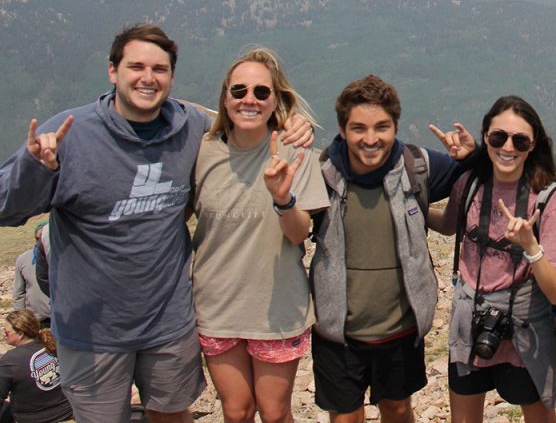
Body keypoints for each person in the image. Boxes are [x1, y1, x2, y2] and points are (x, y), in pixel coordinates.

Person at [0, 24, 312, 423]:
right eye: (136, 67)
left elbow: (242, 118)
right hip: (92, 332)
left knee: (172, 416)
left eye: (160, 69)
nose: (148, 78)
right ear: (113, 71)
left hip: (169, 323)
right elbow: (8, 210)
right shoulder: (70, 133)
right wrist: (35, 168)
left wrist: (289, 120)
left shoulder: (189, 127)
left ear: (171, 77)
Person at [309, 74, 477, 423]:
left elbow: (476, 178)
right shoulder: (322, 176)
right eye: (359, 128)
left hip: (400, 327)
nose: (371, 139)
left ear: (395, 126)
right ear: (342, 129)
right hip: (338, 330)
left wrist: (470, 159)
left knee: (399, 409)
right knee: (345, 417)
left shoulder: (417, 166)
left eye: (381, 127)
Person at [190, 48, 330, 423]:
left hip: (276, 306)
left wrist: (283, 199)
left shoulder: (296, 151)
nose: (248, 99)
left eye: (261, 92)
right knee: (236, 412)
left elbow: (299, 232)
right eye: (238, 91)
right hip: (215, 304)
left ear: (276, 100)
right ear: (224, 97)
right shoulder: (201, 152)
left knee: (274, 411)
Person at [435, 96, 556, 423]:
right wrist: (408, 209)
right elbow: (447, 224)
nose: (508, 147)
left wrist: (531, 245)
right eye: (498, 137)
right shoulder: (470, 183)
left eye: (520, 140)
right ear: (485, 137)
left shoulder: (548, 198)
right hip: (471, 323)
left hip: (524, 330)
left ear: (533, 146)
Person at [0, 310, 73, 423]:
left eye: (7, 331)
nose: (4, 334)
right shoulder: (51, 343)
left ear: (20, 333)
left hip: (34, 418)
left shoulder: (11, 360)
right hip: (65, 409)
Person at [12, 223, 51, 327]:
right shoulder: (23, 259)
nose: (41, 242)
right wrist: (21, 321)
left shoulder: (60, 256)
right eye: (39, 238)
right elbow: (18, 293)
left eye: (45, 238)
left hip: (62, 318)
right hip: (36, 320)